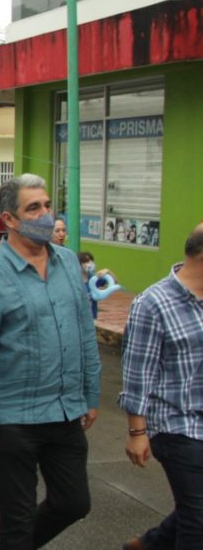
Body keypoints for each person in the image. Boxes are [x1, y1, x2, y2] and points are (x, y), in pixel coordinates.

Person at [0, 175, 100, 549]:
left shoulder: (68, 262)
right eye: (33, 208)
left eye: (47, 205)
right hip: (12, 419)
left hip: (65, 411)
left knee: (74, 503)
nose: (46, 215)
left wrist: (91, 393)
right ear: (9, 220)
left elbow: (85, 332)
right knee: (17, 519)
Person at [118, 224, 203, 550]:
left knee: (195, 508)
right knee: (198, 518)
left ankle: (149, 545)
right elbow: (138, 371)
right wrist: (137, 432)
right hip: (175, 423)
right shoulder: (153, 303)